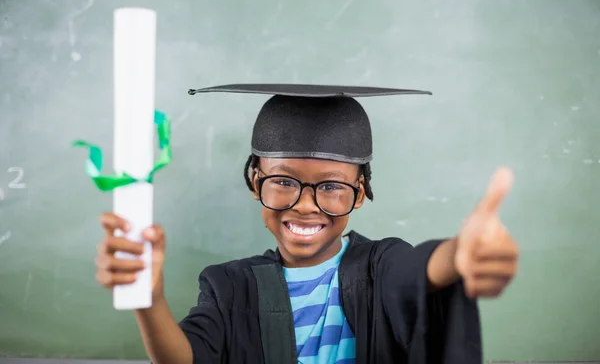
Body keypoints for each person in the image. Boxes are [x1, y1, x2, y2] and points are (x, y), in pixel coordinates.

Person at [94, 84, 520, 364]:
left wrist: (462, 251)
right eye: (282, 182)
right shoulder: (228, 286)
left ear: (361, 190)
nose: (304, 206)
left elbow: (425, 270)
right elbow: (185, 358)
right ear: (253, 181)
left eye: (332, 187)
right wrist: (147, 299)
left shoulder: (381, 264)